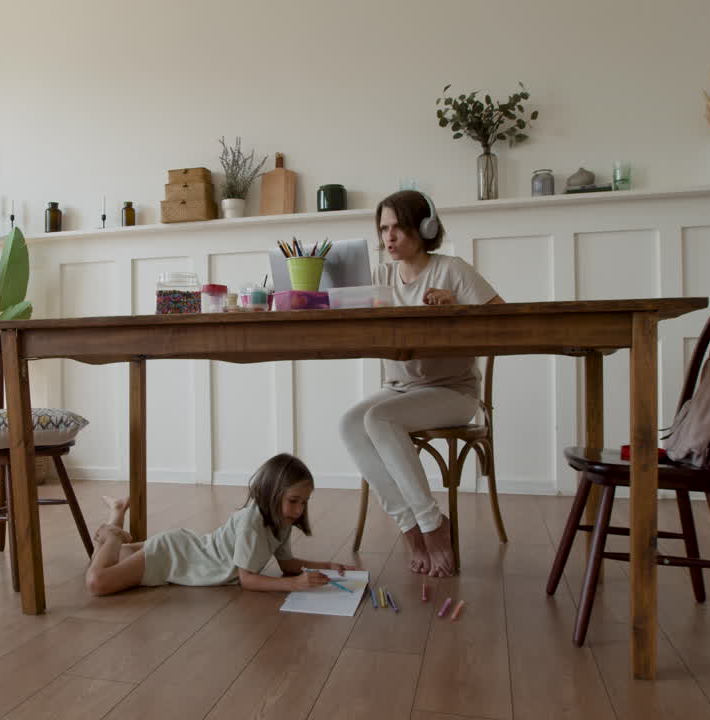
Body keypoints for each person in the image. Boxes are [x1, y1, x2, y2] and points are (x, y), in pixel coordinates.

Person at [339, 190, 504, 578]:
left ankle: (432, 526)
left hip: (453, 392)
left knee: (379, 419)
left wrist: (459, 307)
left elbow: (503, 317)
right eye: (383, 229)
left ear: (424, 228)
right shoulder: (379, 277)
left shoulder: (452, 270)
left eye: (398, 227)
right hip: (400, 391)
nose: (389, 237)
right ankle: (409, 526)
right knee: (350, 422)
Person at [85, 453, 356, 596]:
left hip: (185, 551)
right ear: (272, 494)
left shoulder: (282, 520)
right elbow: (248, 580)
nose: (299, 510)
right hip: (173, 557)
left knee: (104, 562)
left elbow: (287, 565)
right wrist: (296, 585)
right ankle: (112, 534)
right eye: (294, 501)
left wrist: (329, 567)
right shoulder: (253, 521)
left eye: (304, 503)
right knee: (98, 581)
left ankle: (116, 516)